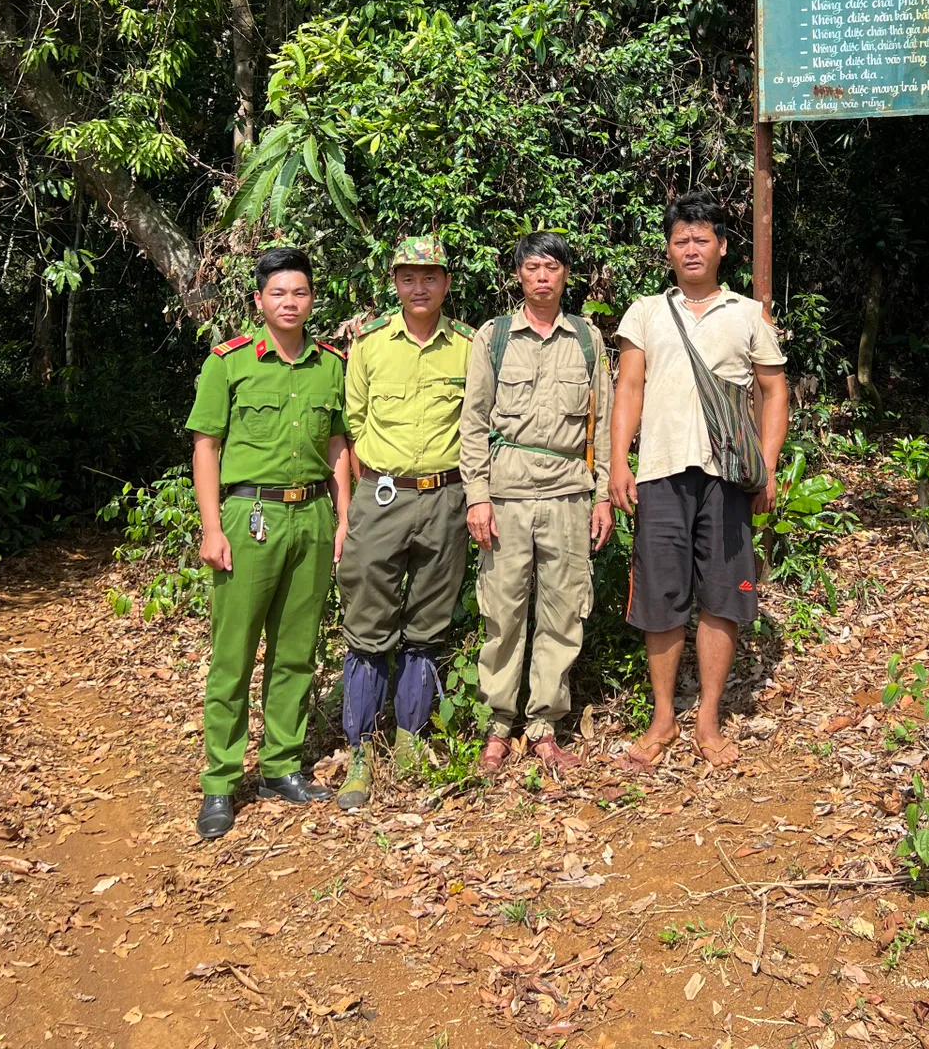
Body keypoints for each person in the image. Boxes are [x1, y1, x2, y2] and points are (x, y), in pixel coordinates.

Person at [609, 190, 788, 769]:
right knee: (660, 595)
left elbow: (773, 391)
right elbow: (628, 389)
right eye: (681, 239)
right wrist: (617, 462)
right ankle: (664, 715)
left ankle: (708, 715)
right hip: (661, 471)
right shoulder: (644, 312)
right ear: (668, 250)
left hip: (727, 477)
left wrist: (767, 465)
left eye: (702, 238)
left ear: (722, 247)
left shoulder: (747, 314)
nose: (691, 248)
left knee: (721, 597)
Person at [187, 246, 352, 841]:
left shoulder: (329, 364)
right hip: (247, 514)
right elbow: (206, 446)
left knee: (295, 651)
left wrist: (342, 517)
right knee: (234, 654)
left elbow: (337, 445)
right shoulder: (228, 362)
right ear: (259, 300)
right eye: (279, 293)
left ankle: (281, 766)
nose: (290, 302)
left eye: (300, 293)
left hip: (310, 516)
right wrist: (211, 528)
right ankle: (220, 780)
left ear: (312, 300)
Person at [460, 232, 614, 776]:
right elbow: (474, 423)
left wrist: (603, 497)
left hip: (570, 494)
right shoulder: (495, 337)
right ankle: (499, 724)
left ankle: (544, 723)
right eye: (533, 268)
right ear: (519, 276)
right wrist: (477, 497)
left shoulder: (588, 340)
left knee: (562, 612)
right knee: (502, 612)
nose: (543, 277)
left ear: (566, 275)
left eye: (552, 267)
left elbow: (605, 426)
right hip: (506, 497)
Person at [335, 235, 474, 810]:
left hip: (446, 498)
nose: (420, 288)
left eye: (430, 277)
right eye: (408, 277)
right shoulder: (369, 345)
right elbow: (352, 423)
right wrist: (354, 508)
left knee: (428, 624)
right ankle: (361, 750)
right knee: (368, 623)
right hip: (382, 496)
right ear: (395, 283)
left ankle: (411, 736)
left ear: (445, 282)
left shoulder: (469, 345)